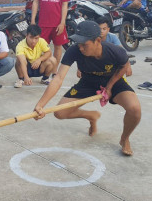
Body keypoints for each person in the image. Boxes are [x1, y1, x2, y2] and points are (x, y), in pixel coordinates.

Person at [33, 20, 140, 156]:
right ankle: (91, 116)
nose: (81, 48)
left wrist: (110, 86)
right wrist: (40, 105)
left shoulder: (115, 51)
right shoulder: (74, 51)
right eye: (79, 44)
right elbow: (58, 78)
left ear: (97, 41)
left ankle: (124, 139)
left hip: (113, 81)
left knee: (135, 110)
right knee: (60, 113)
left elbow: (124, 66)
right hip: (87, 82)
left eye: (85, 45)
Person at [31, 0, 70, 76]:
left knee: (58, 47)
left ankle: (54, 70)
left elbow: (64, 5)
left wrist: (62, 22)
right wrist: (33, 20)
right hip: (43, 23)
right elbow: (36, 2)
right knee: (41, 47)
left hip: (58, 23)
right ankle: (42, 70)